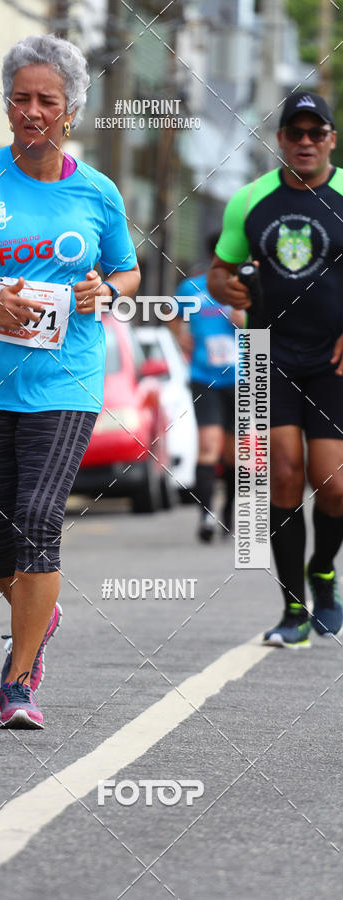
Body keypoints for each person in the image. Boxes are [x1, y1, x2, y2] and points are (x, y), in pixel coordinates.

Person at [0, 34, 140, 728]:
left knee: (40, 518)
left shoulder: (97, 192)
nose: (33, 111)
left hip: (66, 378)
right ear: (8, 106)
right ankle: (36, 610)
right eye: (22, 99)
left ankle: (19, 679)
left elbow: (126, 273)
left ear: (71, 109)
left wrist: (105, 291)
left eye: (48, 100)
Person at [207, 91, 343, 647]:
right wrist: (228, 286)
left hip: (332, 358)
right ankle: (293, 611)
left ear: (331, 139)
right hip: (266, 353)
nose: (305, 142)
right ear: (281, 139)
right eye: (295, 132)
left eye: (317, 133)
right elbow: (218, 271)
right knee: (281, 475)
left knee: (333, 485)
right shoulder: (250, 200)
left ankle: (324, 577)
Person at [169, 235, 244, 542]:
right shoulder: (192, 289)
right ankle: (205, 516)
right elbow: (172, 315)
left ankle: (229, 511)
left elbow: (270, 327)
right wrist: (180, 337)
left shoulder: (244, 289)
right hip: (204, 377)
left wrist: (247, 320)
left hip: (242, 379)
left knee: (234, 454)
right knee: (209, 445)